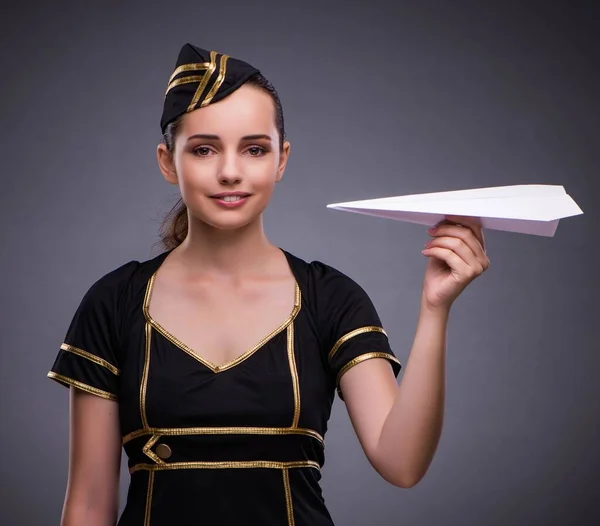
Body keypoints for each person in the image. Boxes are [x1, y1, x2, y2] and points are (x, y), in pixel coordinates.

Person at [47, 43, 490, 526]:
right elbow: (89, 505)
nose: (230, 171)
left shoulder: (330, 298)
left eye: (254, 149)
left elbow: (401, 463)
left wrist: (434, 309)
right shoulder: (114, 302)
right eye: (203, 149)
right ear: (168, 161)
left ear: (281, 159)